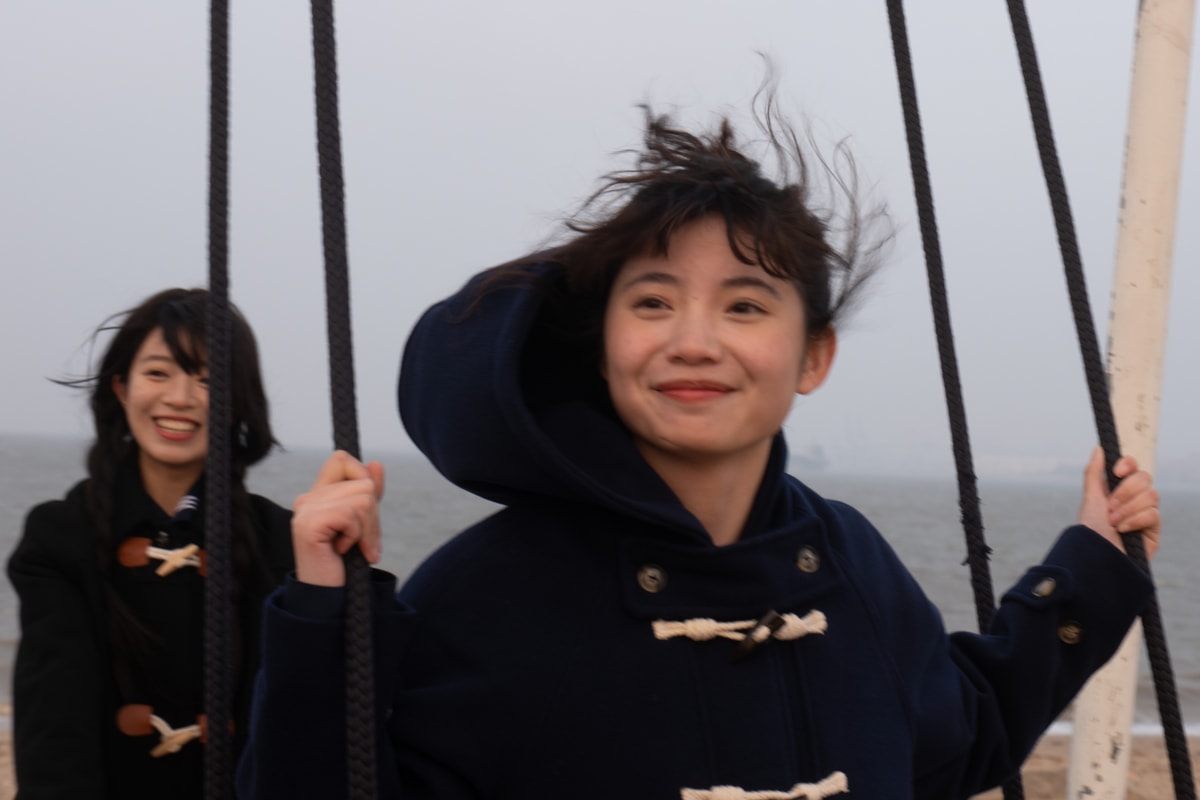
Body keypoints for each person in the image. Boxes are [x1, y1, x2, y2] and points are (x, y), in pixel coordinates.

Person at [238, 91, 1161, 800]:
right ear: (603, 347)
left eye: (745, 306)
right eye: (652, 301)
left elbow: (963, 739)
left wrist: (1093, 563)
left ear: (814, 357)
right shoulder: (484, 592)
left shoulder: (850, 563)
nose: (693, 341)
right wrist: (321, 614)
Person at [9, 288, 294, 799]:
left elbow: (318, 706)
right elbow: (52, 728)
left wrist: (346, 553)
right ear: (121, 388)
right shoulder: (60, 537)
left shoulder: (283, 541)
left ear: (238, 403)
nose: (180, 398)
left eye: (208, 380)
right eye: (158, 373)